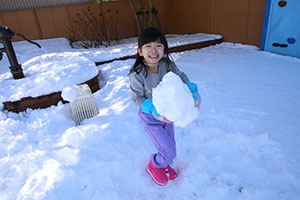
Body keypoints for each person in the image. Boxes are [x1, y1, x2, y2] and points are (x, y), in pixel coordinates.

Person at [128, 27, 200, 186]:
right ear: (140, 51)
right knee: (169, 150)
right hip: (151, 118)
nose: (154, 50)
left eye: (158, 46)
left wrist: (191, 89)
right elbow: (136, 97)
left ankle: (164, 162)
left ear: (164, 49)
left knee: (170, 146)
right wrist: (150, 107)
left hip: (168, 115)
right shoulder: (137, 74)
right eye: (148, 46)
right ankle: (154, 165)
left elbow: (181, 77)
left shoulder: (167, 65)